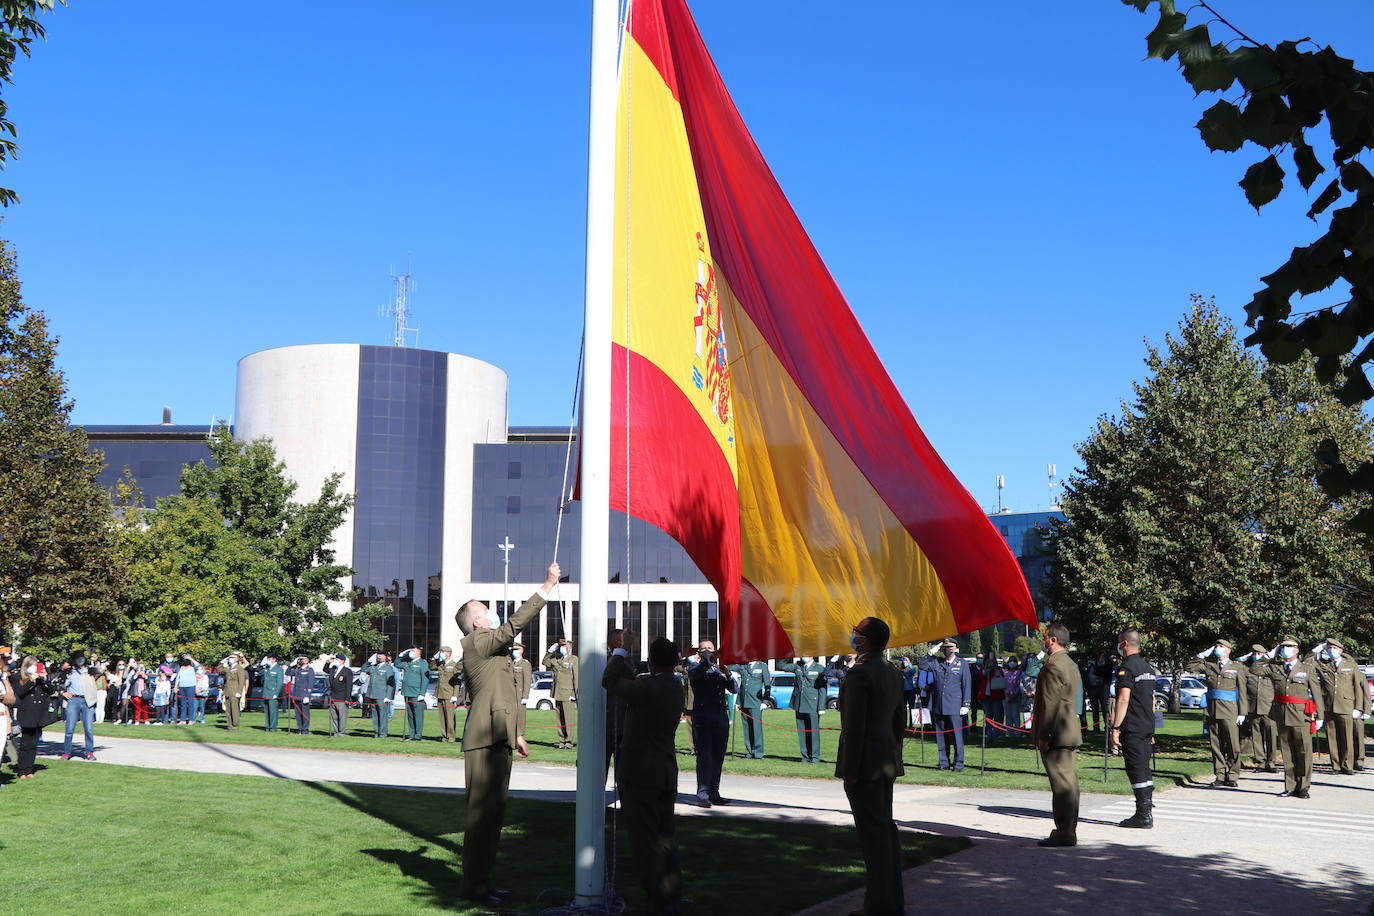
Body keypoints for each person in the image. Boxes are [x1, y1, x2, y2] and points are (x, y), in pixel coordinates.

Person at [458, 561, 559, 904]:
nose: (492, 615)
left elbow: (503, 695)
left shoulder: (493, 650)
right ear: (476, 623)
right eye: (486, 612)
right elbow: (513, 626)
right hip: (484, 739)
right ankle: (474, 887)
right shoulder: (476, 642)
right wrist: (545, 587)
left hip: (499, 736)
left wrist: (516, 733)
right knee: (481, 817)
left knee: (494, 817)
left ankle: (483, 881)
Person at [604, 636, 685, 916]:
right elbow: (640, 684)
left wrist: (618, 651)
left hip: (641, 772)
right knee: (666, 838)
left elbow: (609, 682)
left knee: (645, 841)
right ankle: (673, 895)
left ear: (650, 660)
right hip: (664, 770)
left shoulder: (647, 687)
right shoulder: (675, 685)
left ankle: (657, 901)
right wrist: (631, 669)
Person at [836, 617, 905, 916]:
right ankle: (891, 902)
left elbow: (854, 728)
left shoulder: (860, 675)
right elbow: (898, 721)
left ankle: (879, 908)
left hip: (865, 764)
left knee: (873, 837)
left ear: (863, 641)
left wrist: (850, 770)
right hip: (886, 759)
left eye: (857, 632)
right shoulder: (891, 671)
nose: (853, 635)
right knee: (885, 832)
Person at [1031, 622, 1082, 847]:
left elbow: (1049, 705)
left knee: (1062, 786)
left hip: (1056, 732)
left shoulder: (1053, 665)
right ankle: (1068, 830)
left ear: (1052, 639)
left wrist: (1043, 736)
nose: (1043, 640)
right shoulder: (1069, 663)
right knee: (1069, 783)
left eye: (1045, 637)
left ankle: (1064, 833)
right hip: (1068, 728)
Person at [1185, 639, 1250, 787]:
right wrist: (1203, 654)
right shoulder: (1210, 665)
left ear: (1228, 650)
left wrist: (1242, 712)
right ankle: (1220, 775)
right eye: (1216, 646)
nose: (1217, 648)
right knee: (1216, 745)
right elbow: (1190, 666)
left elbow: (1242, 690)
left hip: (1230, 710)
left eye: (1221, 646)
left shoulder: (1237, 667)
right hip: (1212, 710)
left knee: (1233, 745)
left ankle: (1233, 775)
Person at [1110, 627, 1158, 828]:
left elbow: (1123, 699)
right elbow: (1152, 700)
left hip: (1133, 726)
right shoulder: (1148, 668)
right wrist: (1153, 728)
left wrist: (1116, 727)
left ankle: (1143, 815)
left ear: (1124, 644)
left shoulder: (1126, 668)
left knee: (1136, 769)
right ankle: (1145, 811)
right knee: (1144, 770)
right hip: (1147, 725)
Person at [1267, 634, 1324, 797]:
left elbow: (1316, 693)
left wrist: (1320, 716)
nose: (1285, 650)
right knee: (1287, 752)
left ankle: (1303, 787)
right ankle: (1290, 786)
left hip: (1301, 716)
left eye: (1289, 647)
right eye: (1283, 647)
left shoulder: (1306, 668)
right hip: (1282, 715)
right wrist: (1271, 654)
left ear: (1297, 650)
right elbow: (1255, 668)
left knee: (1303, 751)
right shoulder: (1275, 668)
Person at [687, 638, 736, 806]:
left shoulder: (718, 669)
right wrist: (708, 661)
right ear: (699, 652)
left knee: (718, 757)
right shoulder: (694, 667)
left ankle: (714, 792)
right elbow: (696, 673)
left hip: (720, 718)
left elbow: (734, 688)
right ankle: (703, 793)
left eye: (711, 648)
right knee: (705, 757)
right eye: (704, 649)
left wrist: (727, 674)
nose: (708, 651)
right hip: (703, 719)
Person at [918, 639, 971, 772]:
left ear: (955, 649)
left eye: (950, 648)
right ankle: (944, 762)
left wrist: (966, 704)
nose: (947, 650)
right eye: (945, 648)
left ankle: (958, 764)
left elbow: (966, 684)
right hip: (938, 705)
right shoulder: (937, 662)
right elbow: (922, 665)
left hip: (954, 705)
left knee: (956, 737)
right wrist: (930, 653)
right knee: (940, 736)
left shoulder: (962, 664)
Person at [1315, 637, 1362, 775]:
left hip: (1346, 705)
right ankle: (1335, 765)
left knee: (1347, 737)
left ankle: (1347, 765)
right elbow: (1307, 663)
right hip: (1329, 706)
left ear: (1341, 650)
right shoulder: (1323, 665)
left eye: (1334, 648)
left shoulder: (1350, 665)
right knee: (1332, 737)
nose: (1331, 650)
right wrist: (1317, 650)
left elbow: (1357, 687)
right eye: (1329, 648)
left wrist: (1358, 707)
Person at [11, 657, 53, 778]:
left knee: (34, 743)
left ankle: (30, 769)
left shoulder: (40, 680)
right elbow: (18, 693)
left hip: (38, 714)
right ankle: (22, 770)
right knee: (25, 743)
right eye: (33, 665)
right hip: (26, 713)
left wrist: (44, 680)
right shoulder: (18, 678)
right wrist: (31, 681)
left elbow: (51, 690)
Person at [782, 656, 826, 763]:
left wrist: (821, 706)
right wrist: (787, 653)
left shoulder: (819, 668)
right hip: (799, 703)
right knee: (802, 731)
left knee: (813, 732)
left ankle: (814, 756)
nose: (804, 656)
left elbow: (822, 688)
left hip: (812, 704)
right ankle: (805, 756)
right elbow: (781, 666)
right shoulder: (797, 666)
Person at [1241, 644, 1276, 772]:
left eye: (1259, 654)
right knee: (1257, 736)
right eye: (1254, 654)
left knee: (1271, 735)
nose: (1256, 656)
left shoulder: (1272, 669)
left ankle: (1271, 762)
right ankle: (1260, 761)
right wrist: (1245, 657)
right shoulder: (1248, 670)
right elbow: (1236, 663)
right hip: (1253, 707)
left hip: (1269, 707)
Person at [605, 629, 633, 779]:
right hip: (605, 724)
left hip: (625, 724)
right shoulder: (602, 661)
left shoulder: (629, 661)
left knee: (624, 773)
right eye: (618, 641)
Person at [730, 656, 771, 759]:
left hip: (756, 702)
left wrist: (765, 701)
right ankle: (750, 751)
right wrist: (738, 702)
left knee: (756, 728)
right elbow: (741, 686)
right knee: (746, 728)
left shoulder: (762, 666)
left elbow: (767, 685)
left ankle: (758, 752)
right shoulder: (743, 665)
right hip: (744, 702)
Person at [60, 653, 99, 760]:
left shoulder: (89, 671)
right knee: (69, 728)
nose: (80, 661)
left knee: (88, 728)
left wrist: (94, 660)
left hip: (87, 700)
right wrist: (63, 693)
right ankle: (66, 752)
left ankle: (89, 752)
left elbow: (99, 671)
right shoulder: (69, 672)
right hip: (73, 700)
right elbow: (59, 684)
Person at [543, 639, 579, 749]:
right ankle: (561, 740)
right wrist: (550, 651)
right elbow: (545, 662)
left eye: (565, 646)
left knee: (568, 719)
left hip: (568, 693)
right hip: (557, 692)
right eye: (561, 646)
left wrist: (574, 693)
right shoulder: (557, 659)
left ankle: (568, 741)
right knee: (559, 719)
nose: (562, 648)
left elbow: (576, 678)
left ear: (570, 648)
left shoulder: (573, 659)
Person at [395, 647, 429, 741]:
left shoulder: (422, 663)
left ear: (419, 652)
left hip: (416, 693)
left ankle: (418, 735)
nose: (411, 652)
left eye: (413, 651)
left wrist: (422, 693)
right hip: (407, 692)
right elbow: (396, 664)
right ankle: (412, 734)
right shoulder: (408, 663)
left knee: (418, 715)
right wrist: (401, 655)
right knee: (410, 715)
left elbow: (425, 679)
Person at [362, 653, 396, 738]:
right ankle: (376, 731)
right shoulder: (374, 667)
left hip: (382, 695)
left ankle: (383, 733)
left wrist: (388, 696)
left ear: (385, 657)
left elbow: (390, 683)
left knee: (383, 715)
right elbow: (363, 669)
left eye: (381, 655)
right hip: (373, 694)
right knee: (375, 714)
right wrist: (369, 661)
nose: (379, 656)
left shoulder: (388, 668)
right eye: (378, 655)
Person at [976, 654, 1007, 744]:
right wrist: (986, 669)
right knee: (988, 716)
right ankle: (989, 735)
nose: (990, 663)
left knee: (997, 716)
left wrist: (995, 670)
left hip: (996, 696)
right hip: (985, 696)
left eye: (992, 661)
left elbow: (1001, 678)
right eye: (988, 661)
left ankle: (996, 735)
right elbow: (980, 676)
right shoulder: (983, 669)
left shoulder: (998, 669)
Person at [433, 646, 462, 743]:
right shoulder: (440, 664)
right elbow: (431, 666)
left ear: (449, 653)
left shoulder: (455, 665)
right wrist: (435, 658)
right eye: (440, 651)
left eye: (443, 652)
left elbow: (457, 681)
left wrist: (455, 695)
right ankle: (444, 736)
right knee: (442, 717)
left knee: (450, 717)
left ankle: (451, 736)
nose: (441, 653)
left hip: (449, 694)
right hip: (440, 693)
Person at [218, 653, 248, 730]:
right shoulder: (229, 667)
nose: (230, 659)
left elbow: (241, 681)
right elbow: (219, 670)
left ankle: (235, 725)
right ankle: (230, 725)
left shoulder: (239, 668)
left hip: (235, 691)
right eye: (229, 658)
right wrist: (222, 663)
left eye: (232, 658)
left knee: (234, 709)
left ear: (236, 659)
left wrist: (239, 691)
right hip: (228, 690)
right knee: (228, 709)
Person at [288, 657, 316, 735]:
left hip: (304, 695)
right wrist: (291, 665)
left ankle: (305, 729)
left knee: (305, 713)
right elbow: (287, 673)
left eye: (302, 659)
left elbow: (310, 684)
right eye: (300, 659)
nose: (300, 661)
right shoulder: (298, 670)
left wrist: (307, 695)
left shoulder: (309, 670)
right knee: (297, 714)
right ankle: (299, 728)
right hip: (297, 695)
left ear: (307, 661)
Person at [327, 654, 352, 737]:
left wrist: (347, 698)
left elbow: (349, 686)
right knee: (333, 716)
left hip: (342, 697)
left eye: (338, 659)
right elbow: (325, 669)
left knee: (341, 716)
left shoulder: (347, 671)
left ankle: (341, 732)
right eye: (336, 659)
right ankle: (336, 731)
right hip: (333, 696)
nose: (336, 661)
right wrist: (328, 662)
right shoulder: (333, 670)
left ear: (343, 661)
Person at [511, 643, 533, 740]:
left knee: (520, 717)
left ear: (521, 651)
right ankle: (512, 736)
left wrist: (525, 696)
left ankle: (519, 736)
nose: (514, 652)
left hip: (519, 695)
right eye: (513, 650)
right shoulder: (511, 663)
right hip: (510, 694)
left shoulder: (525, 664)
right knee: (511, 716)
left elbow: (527, 681)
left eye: (516, 650)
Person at [260, 653, 285, 732]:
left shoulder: (278, 669)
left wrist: (276, 693)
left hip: (273, 692)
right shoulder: (267, 668)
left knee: (273, 711)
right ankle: (268, 727)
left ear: (274, 660)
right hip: (266, 692)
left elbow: (279, 682)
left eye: (269, 659)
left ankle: (273, 727)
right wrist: (261, 664)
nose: (268, 661)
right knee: (267, 711)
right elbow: (259, 672)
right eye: (267, 659)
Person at [1004, 655, 1027, 730]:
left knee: (1015, 714)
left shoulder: (1019, 672)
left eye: (1014, 661)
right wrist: (1007, 693)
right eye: (1011, 661)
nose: (1012, 663)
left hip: (1016, 695)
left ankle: (1017, 731)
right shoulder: (1005, 672)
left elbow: (1019, 683)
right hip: (1006, 696)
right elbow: (1003, 683)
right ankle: (1008, 731)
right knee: (1008, 715)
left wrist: (1014, 693)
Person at [174, 655, 198, 725]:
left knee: (191, 703)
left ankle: (191, 719)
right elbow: (178, 678)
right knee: (182, 704)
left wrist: (190, 658)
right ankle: (182, 720)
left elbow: (198, 665)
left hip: (191, 686)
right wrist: (176, 686)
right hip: (182, 687)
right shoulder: (181, 668)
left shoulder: (193, 668)